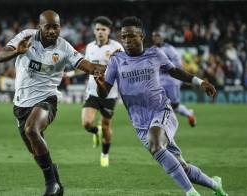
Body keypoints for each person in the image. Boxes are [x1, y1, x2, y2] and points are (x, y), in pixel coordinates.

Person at [94, 16, 228, 196]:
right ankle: (215, 185)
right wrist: (100, 84)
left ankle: (191, 193)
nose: (127, 40)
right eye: (123, 37)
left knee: (156, 145)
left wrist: (200, 81)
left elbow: (175, 71)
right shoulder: (116, 60)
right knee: (182, 167)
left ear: (141, 36)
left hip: (160, 111)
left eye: (131, 36)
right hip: (139, 122)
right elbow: (104, 93)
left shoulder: (155, 54)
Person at [0, 10, 105, 196]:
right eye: (48, 27)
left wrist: (100, 70)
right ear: (40, 27)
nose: (53, 31)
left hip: (47, 99)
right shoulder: (26, 37)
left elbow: (85, 65)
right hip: (21, 103)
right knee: (36, 151)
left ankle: (50, 185)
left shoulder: (64, 47)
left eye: (56, 27)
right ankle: (57, 184)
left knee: (32, 129)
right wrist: (17, 51)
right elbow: (0, 56)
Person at [81, 16, 124, 167]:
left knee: (107, 126)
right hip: (92, 92)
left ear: (109, 31)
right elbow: (86, 66)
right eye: (98, 29)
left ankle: (104, 154)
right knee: (86, 123)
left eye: (103, 29)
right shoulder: (89, 47)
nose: (100, 32)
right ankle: (95, 131)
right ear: (94, 31)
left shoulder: (116, 47)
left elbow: (123, 68)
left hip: (109, 94)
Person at [152, 31, 196, 127]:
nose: (156, 38)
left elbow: (178, 64)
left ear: (163, 37)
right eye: (154, 36)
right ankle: (162, 124)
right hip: (159, 81)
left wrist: (184, 78)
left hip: (171, 80)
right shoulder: (152, 50)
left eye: (158, 36)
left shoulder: (169, 49)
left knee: (175, 105)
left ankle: (189, 114)